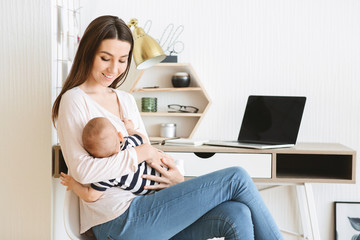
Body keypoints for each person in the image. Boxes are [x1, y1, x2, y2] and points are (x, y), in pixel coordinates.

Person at [52, 15, 284, 239]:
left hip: (148, 207)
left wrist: (174, 179)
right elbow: (84, 171)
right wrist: (142, 151)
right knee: (237, 178)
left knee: (237, 214)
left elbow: (149, 157)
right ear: (88, 54)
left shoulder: (125, 100)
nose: (114, 69)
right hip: (117, 222)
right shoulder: (74, 100)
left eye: (122, 60)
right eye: (105, 58)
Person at [59, 117, 161, 202]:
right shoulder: (130, 143)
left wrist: (73, 184)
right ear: (120, 136)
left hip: (154, 191)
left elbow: (90, 196)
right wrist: (130, 129)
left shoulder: (108, 174)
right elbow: (143, 139)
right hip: (164, 170)